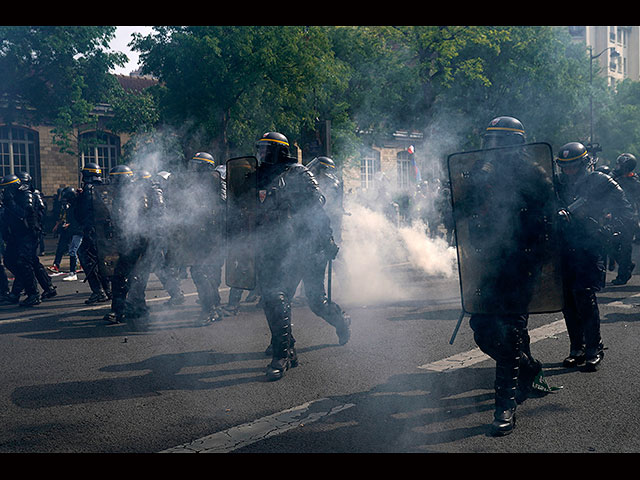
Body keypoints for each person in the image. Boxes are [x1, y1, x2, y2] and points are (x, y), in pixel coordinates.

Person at [456, 116, 556, 436]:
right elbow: (462, 210)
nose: (492, 149)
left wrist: (536, 257)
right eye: (489, 142)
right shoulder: (480, 174)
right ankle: (528, 367)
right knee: (482, 330)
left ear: (514, 144)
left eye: (498, 142)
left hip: (520, 264)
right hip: (489, 262)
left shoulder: (534, 174)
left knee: (511, 332)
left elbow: (550, 217)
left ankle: (505, 407)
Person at [254, 132, 341, 381]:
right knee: (274, 296)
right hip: (277, 247)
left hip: (307, 247)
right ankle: (285, 349)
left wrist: (328, 240)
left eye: (266, 150)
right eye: (260, 149)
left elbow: (317, 210)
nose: (261, 154)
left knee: (316, 302)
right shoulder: (259, 175)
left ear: (278, 151)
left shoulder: (299, 173)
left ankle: (341, 322)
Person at [556, 142, 633, 371]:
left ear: (584, 164)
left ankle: (594, 347)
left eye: (574, 167)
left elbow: (626, 211)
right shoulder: (557, 185)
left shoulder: (600, 181)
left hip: (589, 246)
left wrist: (607, 224)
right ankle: (576, 348)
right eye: (565, 167)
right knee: (567, 299)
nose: (569, 171)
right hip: (564, 246)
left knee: (584, 296)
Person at [0, 174, 43, 306]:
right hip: (15, 235)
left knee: (24, 263)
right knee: (9, 260)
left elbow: (23, 215)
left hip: (27, 235)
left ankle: (33, 293)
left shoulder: (25, 195)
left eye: (4, 189)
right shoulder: (10, 198)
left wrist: (10, 203)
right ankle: (20, 288)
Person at [75, 163, 112, 304]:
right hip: (104, 231)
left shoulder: (88, 190)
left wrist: (77, 200)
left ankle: (98, 291)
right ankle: (108, 291)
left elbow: (82, 213)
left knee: (86, 258)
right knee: (101, 260)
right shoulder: (104, 189)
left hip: (92, 231)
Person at [610, 153, 640, 284]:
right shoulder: (616, 179)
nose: (617, 167)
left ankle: (623, 275)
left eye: (620, 165)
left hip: (628, 219)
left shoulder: (635, 183)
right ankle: (627, 264)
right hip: (614, 217)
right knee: (611, 245)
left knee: (625, 247)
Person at [50, 186, 83, 281]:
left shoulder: (77, 205)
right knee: (76, 251)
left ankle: (73, 273)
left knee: (73, 251)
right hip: (75, 230)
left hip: (79, 231)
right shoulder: (72, 206)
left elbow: (77, 218)